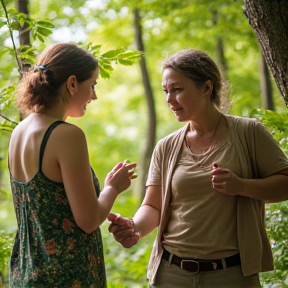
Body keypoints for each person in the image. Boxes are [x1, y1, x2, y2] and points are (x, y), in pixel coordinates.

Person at [108, 49, 288, 288]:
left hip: (232, 275)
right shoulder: (166, 146)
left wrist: (241, 186)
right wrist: (134, 228)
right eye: (165, 91)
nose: (169, 99)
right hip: (171, 274)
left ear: (206, 88)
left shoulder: (249, 132)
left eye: (177, 89)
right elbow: (153, 205)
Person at [8, 43, 137, 288]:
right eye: (93, 85)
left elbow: (42, 208)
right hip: (66, 277)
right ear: (72, 83)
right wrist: (113, 188)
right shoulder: (67, 136)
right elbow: (88, 221)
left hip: (27, 272)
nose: (94, 96)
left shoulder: (20, 132)